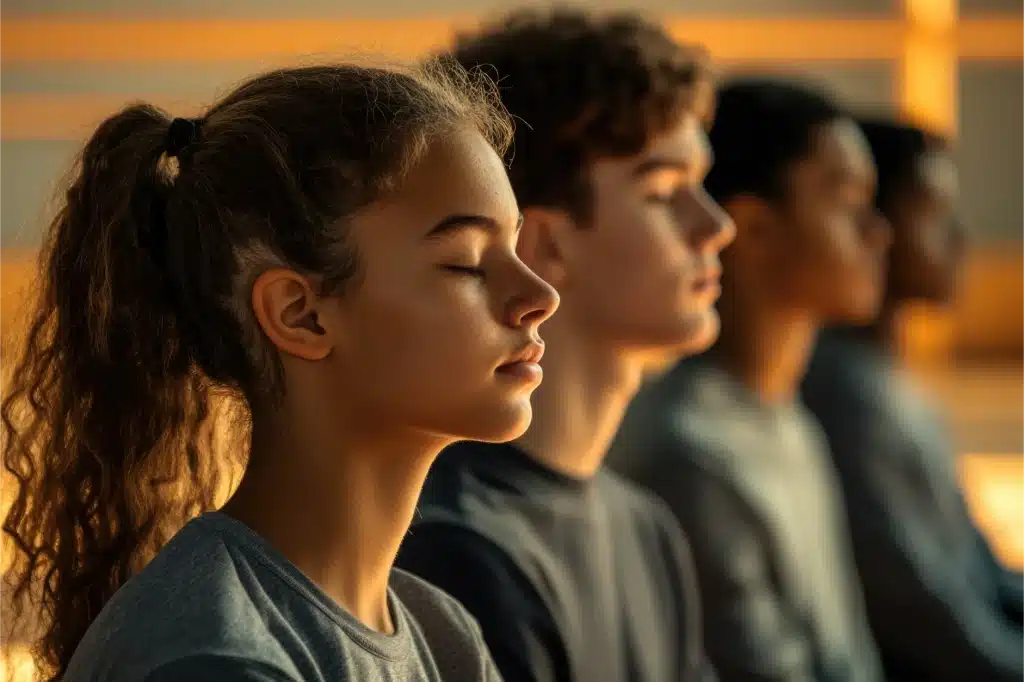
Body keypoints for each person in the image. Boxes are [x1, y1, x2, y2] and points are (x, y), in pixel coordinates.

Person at [0, 61, 560, 682]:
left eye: (515, 246)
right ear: (301, 315)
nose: (539, 295)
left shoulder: (443, 633)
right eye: (466, 263)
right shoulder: (214, 658)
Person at [395, 9, 732, 682]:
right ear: (544, 242)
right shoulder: (459, 553)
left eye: (702, 185)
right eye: (665, 192)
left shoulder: (647, 528)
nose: (714, 226)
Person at [607, 78, 892, 682]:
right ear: (755, 228)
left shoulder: (789, 418)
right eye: (845, 199)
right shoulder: (690, 455)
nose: (877, 229)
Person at [802, 119, 1024, 682]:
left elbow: (978, 567)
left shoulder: (892, 381)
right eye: (931, 210)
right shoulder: (838, 392)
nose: (958, 238)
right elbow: (917, 608)